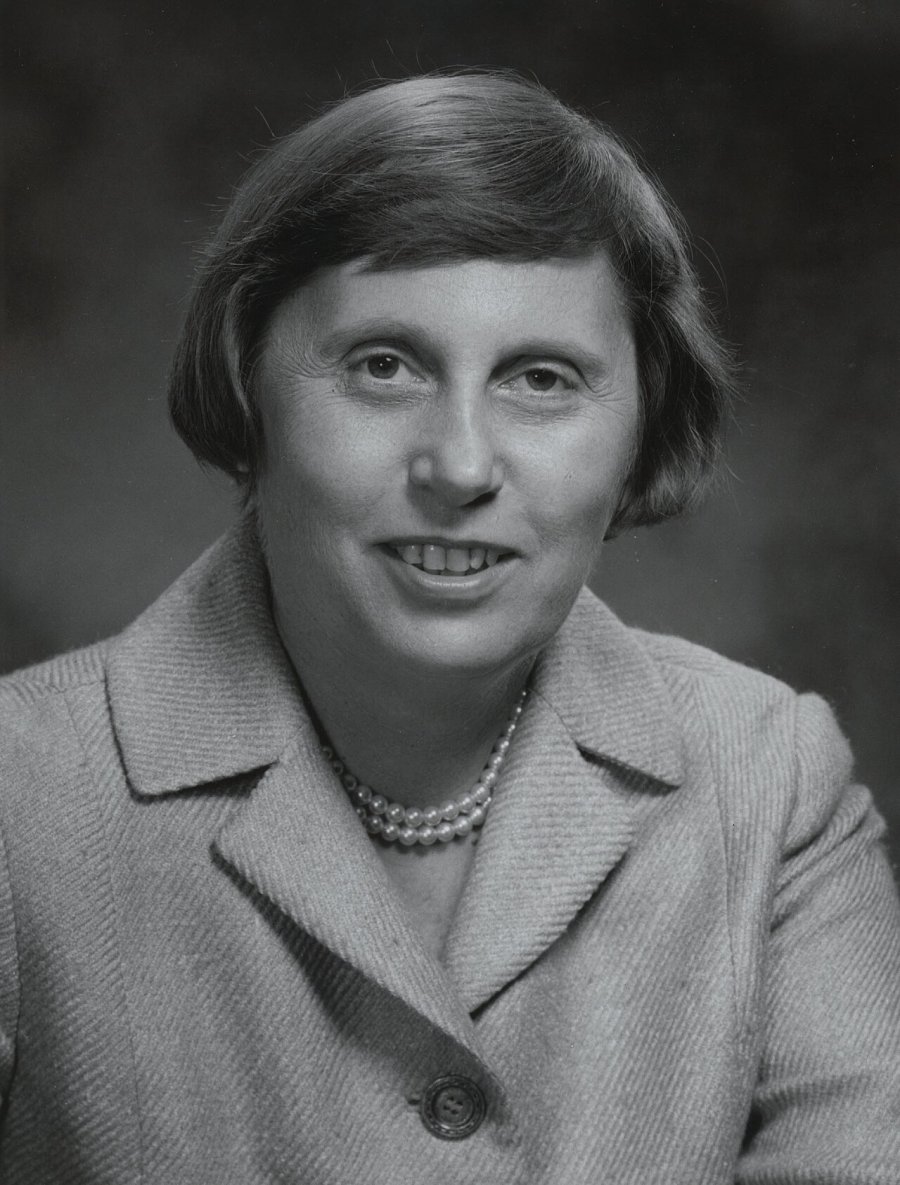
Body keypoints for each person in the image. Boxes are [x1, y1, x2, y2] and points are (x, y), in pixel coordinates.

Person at [1, 70, 898, 1185]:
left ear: (641, 427)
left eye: (542, 378)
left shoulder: (774, 786)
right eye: (383, 366)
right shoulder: (19, 797)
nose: (461, 466)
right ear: (246, 385)